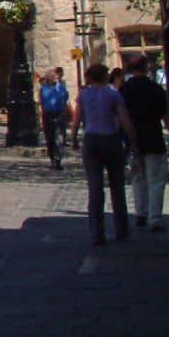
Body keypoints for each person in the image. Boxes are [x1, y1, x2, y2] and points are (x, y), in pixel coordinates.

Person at [71, 63, 138, 246]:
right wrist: (133, 141)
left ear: (90, 77)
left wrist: (74, 139)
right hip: (111, 139)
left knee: (95, 189)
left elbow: (76, 120)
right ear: (105, 76)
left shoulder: (83, 95)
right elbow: (124, 119)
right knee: (117, 187)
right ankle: (121, 229)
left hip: (91, 140)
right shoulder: (113, 94)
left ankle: (96, 233)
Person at [119, 54, 169, 231]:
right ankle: (154, 218)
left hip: (133, 140)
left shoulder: (124, 89)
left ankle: (141, 213)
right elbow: (166, 117)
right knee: (156, 180)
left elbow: (119, 117)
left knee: (138, 178)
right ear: (146, 67)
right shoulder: (155, 89)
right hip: (153, 138)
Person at [39, 68, 70, 170]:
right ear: (49, 78)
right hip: (48, 115)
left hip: (59, 114)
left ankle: (58, 160)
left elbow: (64, 97)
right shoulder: (44, 89)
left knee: (59, 138)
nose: (56, 78)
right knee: (50, 138)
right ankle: (52, 159)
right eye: (53, 76)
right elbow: (45, 100)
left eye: (56, 76)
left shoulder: (60, 87)